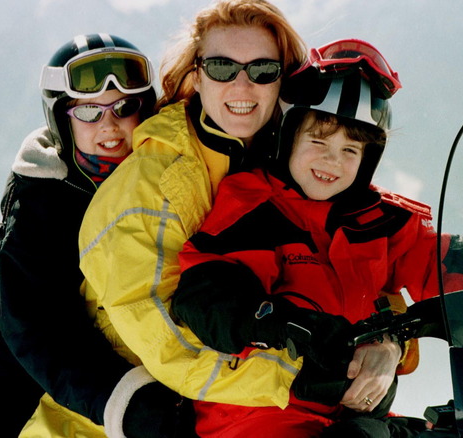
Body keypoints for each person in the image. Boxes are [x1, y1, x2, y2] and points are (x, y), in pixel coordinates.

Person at [169, 39, 463, 437]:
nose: (332, 160)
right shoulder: (256, 205)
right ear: (287, 136)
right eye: (318, 140)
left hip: (358, 416)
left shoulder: (381, 221)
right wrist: (288, 325)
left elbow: (443, 264)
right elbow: (211, 291)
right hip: (260, 418)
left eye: (351, 150)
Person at [0, 34, 186, 438]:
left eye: (124, 107)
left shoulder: (157, 184)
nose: (110, 126)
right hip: (2, 385)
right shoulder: (41, 203)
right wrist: (125, 401)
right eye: (88, 112)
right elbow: (37, 326)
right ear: (61, 119)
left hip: (92, 376)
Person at [74, 0, 313, 430]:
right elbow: (166, 342)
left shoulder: (293, 160)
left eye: (262, 70)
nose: (243, 86)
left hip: (249, 406)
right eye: (223, 68)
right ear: (197, 75)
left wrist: (385, 348)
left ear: (282, 80)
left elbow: (355, 245)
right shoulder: (148, 187)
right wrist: (300, 377)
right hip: (127, 421)